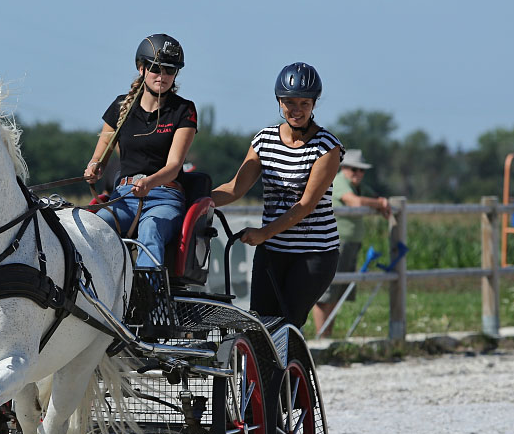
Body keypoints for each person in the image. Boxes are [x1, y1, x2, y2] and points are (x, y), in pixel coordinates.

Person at [211, 62, 343, 329]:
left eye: (304, 103)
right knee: (260, 323)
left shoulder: (327, 147)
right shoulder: (264, 140)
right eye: (289, 102)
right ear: (279, 102)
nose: (296, 109)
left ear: (314, 104)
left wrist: (263, 234)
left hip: (314, 252)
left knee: (287, 323)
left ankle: (291, 369)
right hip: (273, 250)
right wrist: (197, 199)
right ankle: (270, 371)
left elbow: (305, 206)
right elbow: (236, 188)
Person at [84, 33, 197, 270]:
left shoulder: (184, 110)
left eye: (170, 70)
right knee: (96, 225)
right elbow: (100, 157)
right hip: (124, 197)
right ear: (141, 68)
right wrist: (94, 168)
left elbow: (174, 166)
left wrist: (149, 182)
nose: (163, 76)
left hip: (164, 197)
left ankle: (149, 298)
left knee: (151, 227)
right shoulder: (119, 107)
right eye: (157, 69)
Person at [312, 149, 391, 336]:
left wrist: (380, 203)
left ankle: (327, 336)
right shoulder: (339, 182)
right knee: (326, 292)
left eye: (361, 170)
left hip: (350, 243)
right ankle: (322, 336)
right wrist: (379, 204)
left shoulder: (359, 186)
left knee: (338, 292)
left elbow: (373, 199)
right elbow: (354, 202)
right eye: (354, 169)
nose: (358, 173)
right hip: (334, 242)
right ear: (344, 168)